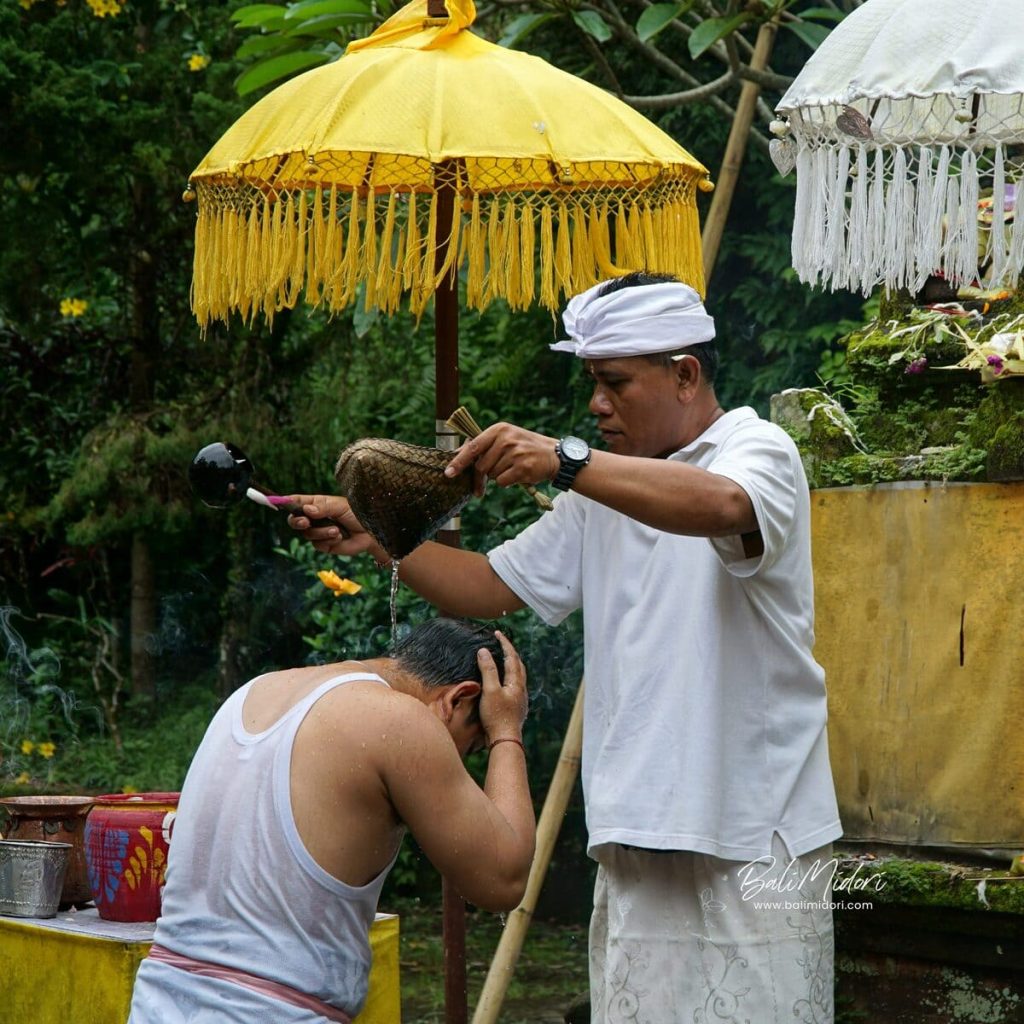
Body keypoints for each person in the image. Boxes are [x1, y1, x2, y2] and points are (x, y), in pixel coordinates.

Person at [290, 271, 843, 1024]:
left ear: (685, 375)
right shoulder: (602, 492)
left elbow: (725, 506)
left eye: (614, 383)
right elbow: (487, 583)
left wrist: (566, 460)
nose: (595, 404)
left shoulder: (757, 450)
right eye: (591, 382)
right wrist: (385, 539)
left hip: (754, 838)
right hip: (636, 833)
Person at [126, 619, 533, 1024]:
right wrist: (506, 731)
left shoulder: (254, 691)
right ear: (460, 698)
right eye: (472, 747)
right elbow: (503, 880)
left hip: (157, 1002)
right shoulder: (400, 720)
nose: (459, 762)